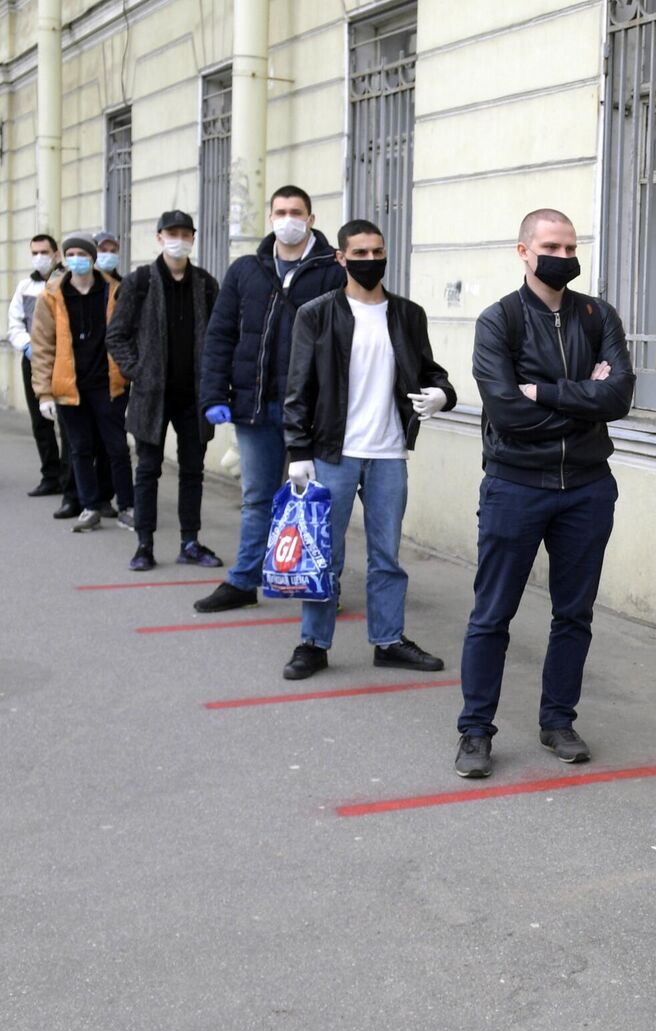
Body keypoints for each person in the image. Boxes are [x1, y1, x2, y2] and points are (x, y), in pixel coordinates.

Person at [452, 208, 634, 779]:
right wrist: (583, 400)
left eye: (571, 245)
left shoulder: (597, 315)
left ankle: (558, 721)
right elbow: (506, 411)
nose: (563, 255)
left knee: (573, 614)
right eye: (551, 244)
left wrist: (548, 393)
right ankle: (475, 731)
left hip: (586, 489)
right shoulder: (499, 321)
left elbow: (621, 397)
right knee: (492, 614)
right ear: (524, 251)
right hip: (515, 486)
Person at [281, 219, 454, 680]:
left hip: (389, 453)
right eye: (358, 253)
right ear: (341, 258)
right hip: (332, 453)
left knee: (387, 556)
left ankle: (389, 639)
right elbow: (298, 388)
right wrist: (298, 451)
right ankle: (313, 644)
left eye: (376, 251)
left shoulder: (407, 315)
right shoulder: (316, 314)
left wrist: (443, 395)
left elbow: (431, 373)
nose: (369, 260)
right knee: (325, 554)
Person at [193, 185, 345, 613]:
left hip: (313, 413)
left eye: (296, 211)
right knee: (257, 497)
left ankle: (319, 580)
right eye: (280, 211)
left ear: (311, 218)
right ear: (270, 217)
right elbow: (220, 335)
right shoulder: (246, 270)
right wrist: (213, 394)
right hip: (256, 407)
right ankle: (244, 580)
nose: (288, 219)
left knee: (317, 501)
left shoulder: (333, 270)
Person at [104, 210, 225, 572]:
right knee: (148, 471)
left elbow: (219, 338)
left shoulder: (205, 284)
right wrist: (138, 369)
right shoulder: (140, 281)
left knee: (192, 470)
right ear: (159, 238)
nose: (179, 239)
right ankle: (144, 544)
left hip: (194, 395)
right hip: (151, 395)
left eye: (185, 233)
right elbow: (117, 334)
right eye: (172, 233)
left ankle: (190, 541)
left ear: (193, 238)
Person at [30, 236, 132, 532]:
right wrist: (44, 393)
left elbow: (128, 335)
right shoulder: (52, 296)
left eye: (82, 253)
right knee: (80, 448)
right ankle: (88, 506)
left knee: (117, 447)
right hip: (69, 385)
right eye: (70, 254)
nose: (76, 259)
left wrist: (129, 373)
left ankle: (127, 505)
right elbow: (43, 347)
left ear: (92, 256)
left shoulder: (113, 291)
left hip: (108, 383)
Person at [10, 233, 65, 501]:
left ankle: (70, 477)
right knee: (40, 421)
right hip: (33, 360)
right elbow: (14, 324)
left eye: (44, 252)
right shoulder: (25, 287)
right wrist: (28, 345)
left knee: (67, 422)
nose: (39, 258)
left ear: (56, 254)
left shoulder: (66, 281)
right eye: (34, 253)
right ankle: (50, 476)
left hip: (64, 361)